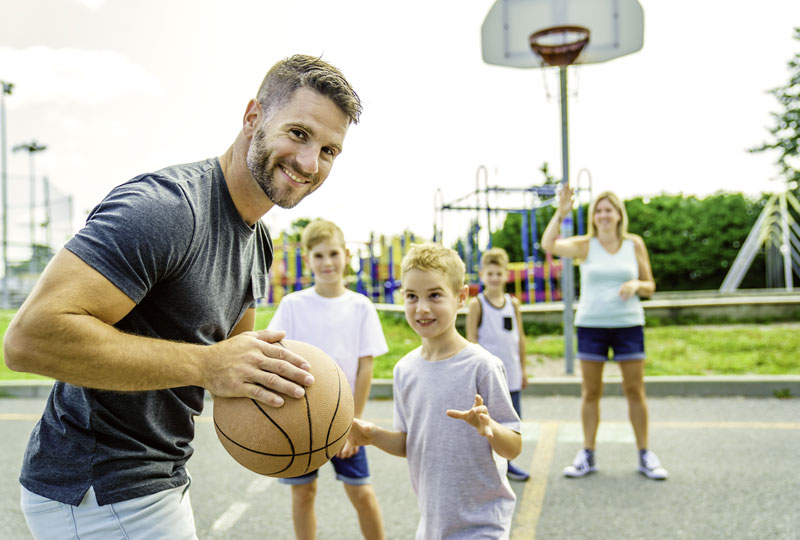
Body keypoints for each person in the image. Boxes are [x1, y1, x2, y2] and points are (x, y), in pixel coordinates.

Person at [3, 54, 362, 539]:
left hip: (157, 479)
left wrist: (298, 401)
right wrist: (208, 365)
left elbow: (230, 369)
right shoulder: (167, 209)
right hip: (98, 489)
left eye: (328, 151)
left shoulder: (256, 242)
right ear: (253, 116)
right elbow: (29, 339)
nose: (309, 162)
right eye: (298, 133)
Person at [349, 242, 522, 540]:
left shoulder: (482, 365)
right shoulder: (404, 370)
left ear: (461, 297)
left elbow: (514, 446)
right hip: (432, 526)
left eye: (435, 295)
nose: (422, 308)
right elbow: (409, 444)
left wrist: (489, 427)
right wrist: (373, 436)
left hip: (483, 525)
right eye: (412, 296)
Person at [266, 218, 388, 540]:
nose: (327, 262)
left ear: (347, 254)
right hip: (301, 420)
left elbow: (365, 369)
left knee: (362, 494)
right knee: (303, 495)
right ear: (307, 259)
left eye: (333, 253)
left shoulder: (361, 306)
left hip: (345, 419)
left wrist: (353, 423)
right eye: (318, 255)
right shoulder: (293, 305)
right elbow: (275, 352)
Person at [540, 185, 668, 480]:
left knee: (635, 391)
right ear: (593, 217)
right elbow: (549, 243)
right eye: (598, 210)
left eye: (608, 209)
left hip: (628, 325)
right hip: (591, 326)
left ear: (619, 214)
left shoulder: (634, 244)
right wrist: (561, 213)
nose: (603, 215)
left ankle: (645, 454)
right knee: (591, 392)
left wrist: (636, 285)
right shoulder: (586, 245)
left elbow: (650, 286)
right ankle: (588, 454)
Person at [466, 247, 530, 482]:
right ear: (482, 275)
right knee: (485, 422)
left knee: (511, 424)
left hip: (511, 376)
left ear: (506, 275)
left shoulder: (513, 304)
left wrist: (523, 368)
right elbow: (471, 340)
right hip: (488, 379)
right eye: (490, 273)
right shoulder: (477, 304)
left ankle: (508, 464)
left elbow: (519, 338)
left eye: (498, 273)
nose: (494, 278)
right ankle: (486, 466)